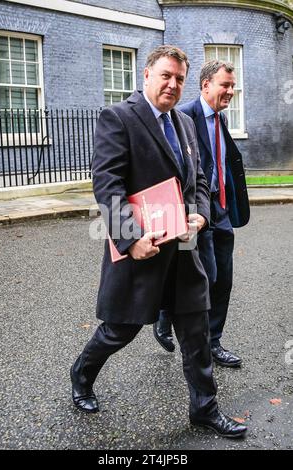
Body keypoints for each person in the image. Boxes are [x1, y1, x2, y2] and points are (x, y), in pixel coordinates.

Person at [70, 46, 247, 438]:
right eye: (166, 75)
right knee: (120, 330)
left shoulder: (183, 123)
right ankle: (81, 373)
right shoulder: (118, 118)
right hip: (142, 248)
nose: (173, 84)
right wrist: (130, 239)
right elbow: (108, 183)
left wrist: (200, 211)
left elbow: (199, 176)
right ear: (146, 75)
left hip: (184, 247)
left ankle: (204, 408)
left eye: (180, 79)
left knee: (196, 331)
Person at [153, 60, 250, 368]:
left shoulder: (220, 119)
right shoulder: (184, 117)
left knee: (224, 279)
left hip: (219, 208)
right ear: (206, 85)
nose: (231, 91)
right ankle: (165, 315)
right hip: (192, 209)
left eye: (233, 86)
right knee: (200, 278)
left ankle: (214, 340)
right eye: (226, 85)